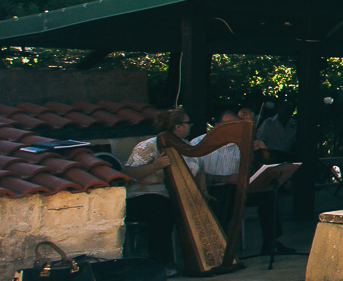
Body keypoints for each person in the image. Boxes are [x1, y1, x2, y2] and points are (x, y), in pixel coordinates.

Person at [196, 105, 289, 254]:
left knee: (268, 194)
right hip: (215, 188)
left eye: (236, 125)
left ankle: (271, 242)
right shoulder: (199, 143)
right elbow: (194, 175)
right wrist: (226, 179)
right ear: (217, 126)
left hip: (240, 188)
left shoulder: (243, 143)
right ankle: (218, 247)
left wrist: (263, 150)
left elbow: (265, 166)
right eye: (229, 125)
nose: (234, 128)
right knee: (221, 202)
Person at [122, 107, 196, 267]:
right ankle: (159, 262)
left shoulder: (187, 146)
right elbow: (129, 173)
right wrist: (156, 166)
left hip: (174, 196)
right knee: (161, 211)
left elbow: (197, 172)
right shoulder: (149, 146)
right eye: (188, 123)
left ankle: (203, 257)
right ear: (178, 126)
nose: (191, 126)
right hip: (143, 196)